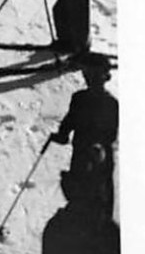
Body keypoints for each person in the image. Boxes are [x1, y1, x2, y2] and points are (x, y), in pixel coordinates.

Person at [50, 52, 118, 216]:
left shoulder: (110, 103)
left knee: (100, 197)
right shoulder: (80, 98)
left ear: (103, 77)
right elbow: (70, 120)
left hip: (100, 160)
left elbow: (110, 134)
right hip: (81, 154)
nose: (89, 78)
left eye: (93, 74)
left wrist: (99, 147)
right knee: (79, 193)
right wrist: (62, 134)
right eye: (87, 74)